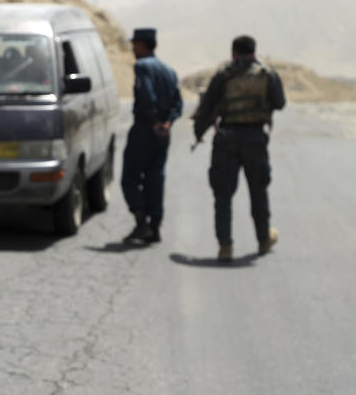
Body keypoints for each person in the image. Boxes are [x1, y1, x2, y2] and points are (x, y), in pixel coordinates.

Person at [193, 35, 285, 261]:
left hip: (227, 139)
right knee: (258, 190)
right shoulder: (267, 74)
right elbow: (280, 102)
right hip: (255, 138)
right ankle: (263, 240)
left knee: (223, 195)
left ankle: (225, 247)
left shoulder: (223, 75)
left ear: (233, 51)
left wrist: (198, 133)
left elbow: (206, 108)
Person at [121, 27, 183, 244]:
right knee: (155, 178)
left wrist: (155, 121)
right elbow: (178, 103)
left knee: (129, 178)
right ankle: (155, 227)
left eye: (134, 44)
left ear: (142, 44)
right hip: (162, 134)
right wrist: (167, 123)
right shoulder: (169, 71)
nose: (132, 48)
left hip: (144, 130)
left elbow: (147, 96)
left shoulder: (142, 66)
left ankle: (142, 223)